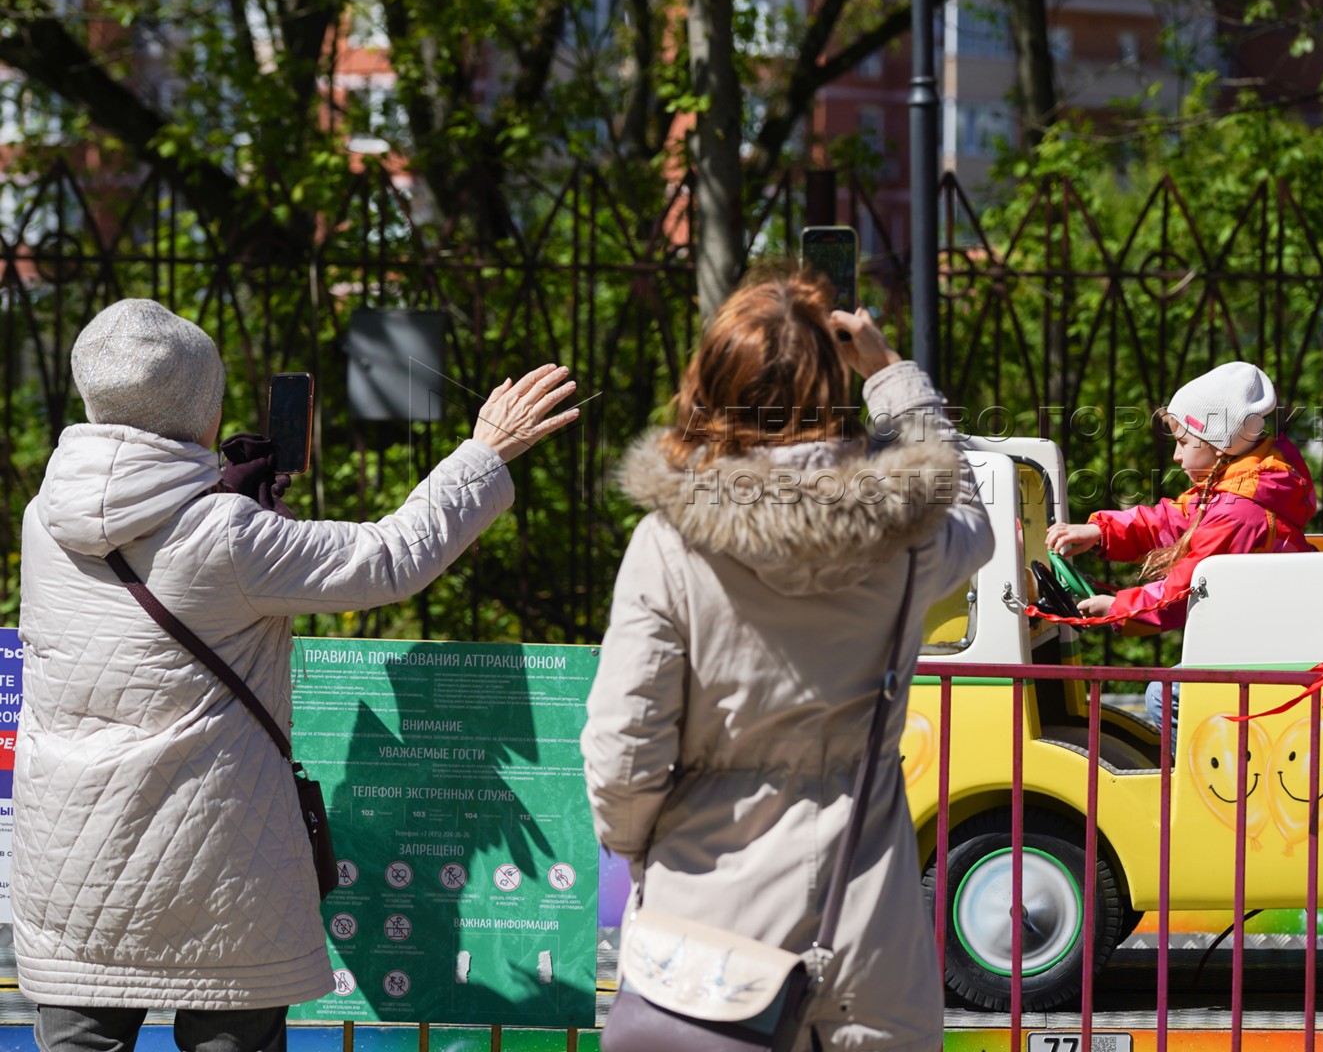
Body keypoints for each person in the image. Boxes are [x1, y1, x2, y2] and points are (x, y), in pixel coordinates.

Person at [14, 298, 579, 1052]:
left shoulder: (43, 521)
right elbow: (388, 558)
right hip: (216, 868)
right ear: (203, 411)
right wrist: (483, 452)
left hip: (71, 864)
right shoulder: (227, 534)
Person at [582, 271, 992, 1052]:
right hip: (867, 926)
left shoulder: (671, 546)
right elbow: (970, 514)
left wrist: (644, 852)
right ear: (837, 389)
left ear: (711, 389)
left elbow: (623, 750)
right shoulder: (903, 538)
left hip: (706, 924)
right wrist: (894, 378)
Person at [1045, 362, 1317, 731]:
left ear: (1219, 446)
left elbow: (1184, 593)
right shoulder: (1241, 487)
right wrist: (1100, 532)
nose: (1176, 456)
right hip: (1263, 636)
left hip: (1266, 648)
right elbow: (1171, 519)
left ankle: (1200, 787)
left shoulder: (1240, 511)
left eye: (1185, 443)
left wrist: (1119, 608)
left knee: (1164, 692)